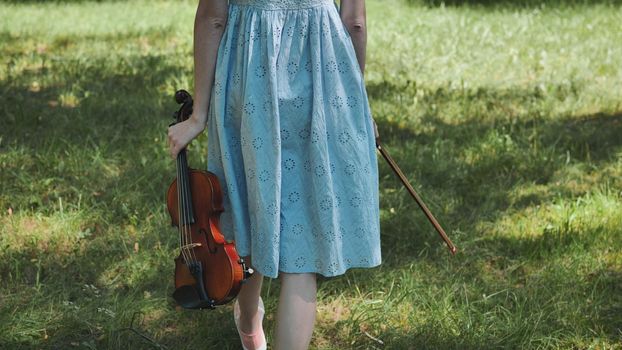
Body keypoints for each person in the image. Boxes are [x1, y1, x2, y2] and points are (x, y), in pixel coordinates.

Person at [167, 0, 380, 349]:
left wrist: (198, 115)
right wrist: (354, 103)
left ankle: (248, 317)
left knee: (251, 200)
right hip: (320, 73)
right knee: (303, 248)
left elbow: (212, 17)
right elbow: (353, 21)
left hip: (249, 72)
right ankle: (250, 318)